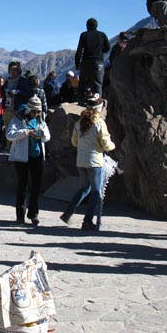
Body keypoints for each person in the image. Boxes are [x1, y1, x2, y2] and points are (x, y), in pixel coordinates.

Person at [60, 93, 116, 231]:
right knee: (96, 192)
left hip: (81, 161)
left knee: (85, 188)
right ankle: (87, 221)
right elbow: (106, 143)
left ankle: (68, 212)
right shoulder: (99, 123)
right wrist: (112, 146)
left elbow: (74, 142)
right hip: (95, 162)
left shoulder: (79, 123)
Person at [6, 96, 51, 226]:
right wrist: (27, 132)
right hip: (22, 158)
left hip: (37, 156)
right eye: (34, 111)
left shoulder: (40, 120)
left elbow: (47, 136)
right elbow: (9, 134)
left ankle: (33, 213)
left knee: (36, 186)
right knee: (22, 186)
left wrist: (42, 134)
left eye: (38, 112)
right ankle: (20, 215)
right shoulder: (18, 119)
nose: (36, 114)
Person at [75, 17, 110, 103]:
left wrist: (77, 63)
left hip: (86, 61)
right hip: (98, 62)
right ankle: (97, 103)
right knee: (97, 83)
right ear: (96, 26)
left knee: (82, 83)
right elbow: (108, 47)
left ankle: (81, 102)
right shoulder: (102, 35)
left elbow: (79, 50)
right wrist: (100, 51)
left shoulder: (84, 35)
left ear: (87, 26)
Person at [3, 61, 31, 132]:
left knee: (18, 132)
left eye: (15, 69)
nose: (13, 71)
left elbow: (28, 94)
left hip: (18, 111)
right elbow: (2, 93)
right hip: (7, 110)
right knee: (8, 132)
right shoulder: (6, 82)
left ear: (18, 70)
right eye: (11, 69)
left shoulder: (23, 81)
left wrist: (17, 92)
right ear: (9, 71)